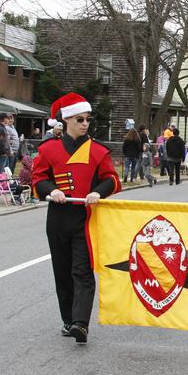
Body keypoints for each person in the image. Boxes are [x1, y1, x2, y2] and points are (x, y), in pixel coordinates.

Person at [32, 93, 121, 344]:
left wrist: (97, 192)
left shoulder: (97, 151)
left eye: (88, 120)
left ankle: (81, 323)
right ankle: (68, 319)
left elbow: (112, 180)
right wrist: (53, 190)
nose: (85, 124)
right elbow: (38, 179)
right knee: (62, 271)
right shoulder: (48, 149)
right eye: (80, 119)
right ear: (67, 120)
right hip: (59, 217)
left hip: (85, 217)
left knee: (82, 271)